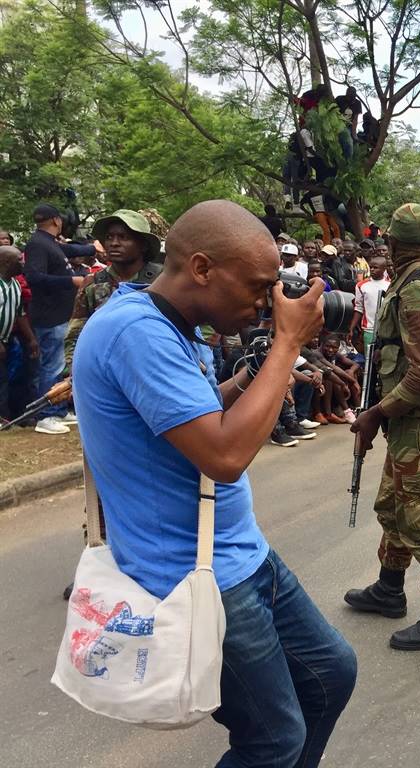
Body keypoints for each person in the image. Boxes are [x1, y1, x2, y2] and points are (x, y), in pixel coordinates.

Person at [73, 199, 357, 765]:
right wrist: (286, 344)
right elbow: (224, 454)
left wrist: (255, 370)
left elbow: (200, 416)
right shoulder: (135, 332)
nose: (265, 299)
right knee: (272, 738)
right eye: (257, 285)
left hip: (239, 556)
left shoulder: (170, 325)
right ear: (202, 269)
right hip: (193, 574)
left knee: (330, 674)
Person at [344, 203, 420, 651]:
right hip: (410, 416)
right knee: (393, 506)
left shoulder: (415, 289)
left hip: (416, 418)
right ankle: (390, 589)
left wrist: (376, 414)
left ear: (393, 244)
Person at [64, 210, 164, 368]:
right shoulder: (93, 283)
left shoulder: (163, 279)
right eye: (109, 237)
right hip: (106, 368)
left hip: (157, 365)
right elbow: (76, 333)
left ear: (143, 245)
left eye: (124, 237)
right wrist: (73, 371)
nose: (114, 243)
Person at [23, 203, 86, 434]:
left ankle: (59, 409)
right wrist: (72, 281)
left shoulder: (49, 243)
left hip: (60, 313)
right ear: (57, 221)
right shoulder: (37, 244)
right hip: (49, 316)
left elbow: (68, 252)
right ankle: (46, 416)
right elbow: (34, 277)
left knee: (60, 366)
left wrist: (91, 249)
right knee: (51, 365)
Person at [0, 246, 40, 421]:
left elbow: (19, 313)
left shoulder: (16, 284)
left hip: (8, 340)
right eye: (19, 259)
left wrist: (31, 339)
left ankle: (10, 415)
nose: (23, 262)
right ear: (6, 262)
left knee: (11, 378)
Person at [351, 254, 390, 349]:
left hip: (386, 330)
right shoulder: (361, 285)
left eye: (375, 268)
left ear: (384, 269)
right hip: (369, 329)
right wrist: (351, 328)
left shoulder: (390, 285)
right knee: (369, 358)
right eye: (371, 267)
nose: (372, 270)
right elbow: (358, 308)